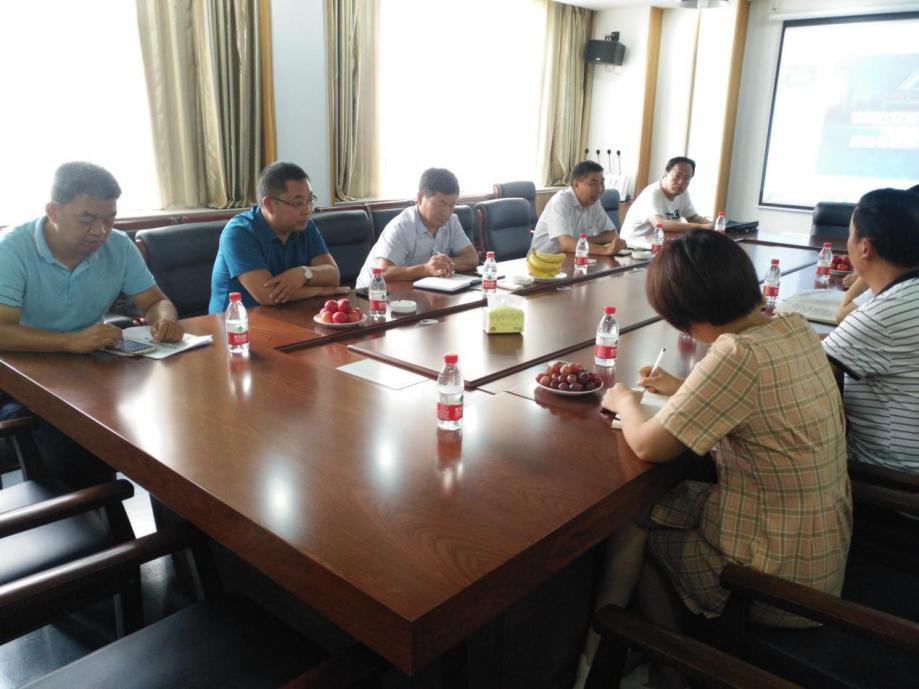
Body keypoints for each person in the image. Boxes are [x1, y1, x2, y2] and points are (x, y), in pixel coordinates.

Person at [574, 231, 850, 689]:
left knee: (635, 527)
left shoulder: (736, 353)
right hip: (817, 549)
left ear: (689, 316)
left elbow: (648, 445)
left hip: (774, 579)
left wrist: (624, 401)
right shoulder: (792, 327)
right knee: (652, 508)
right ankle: (618, 658)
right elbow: (756, 397)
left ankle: (663, 668)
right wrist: (685, 388)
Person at [0, 161, 184, 487]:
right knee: (72, 444)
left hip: (87, 368)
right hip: (19, 376)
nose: (100, 231)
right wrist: (69, 341)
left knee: (172, 418)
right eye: (87, 219)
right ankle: (90, 510)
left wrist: (165, 319)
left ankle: (159, 505)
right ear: (53, 211)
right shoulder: (12, 250)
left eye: (109, 218)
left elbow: (156, 301)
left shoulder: (118, 246)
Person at [822, 187, 919, 473]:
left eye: (850, 233)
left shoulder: (884, 314)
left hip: (890, 475)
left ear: (865, 248)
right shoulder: (907, 293)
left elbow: (808, 371)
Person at [209, 162, 348, 313]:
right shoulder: (239, 232)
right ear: (269, 204)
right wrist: (320, 290)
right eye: (298, 203)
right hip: (236, 322)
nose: (307, 210)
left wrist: (304, 273)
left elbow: (333, 275)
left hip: (286, 314)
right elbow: (268, 295)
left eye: (310, 200)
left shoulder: (305, 226)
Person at [355, 168, 478, 289]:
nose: (446, 212)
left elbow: (472, 257)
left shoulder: (452, 221)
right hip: (372, 293)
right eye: (440, 204)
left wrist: (446, 264)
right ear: (420, 198)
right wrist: (425, 269)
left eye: (452, 205)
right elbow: (383, 272)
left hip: (413, 288)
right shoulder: (402, 226)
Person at [529, 160, 627, 255]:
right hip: (542, 260)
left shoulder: (594, 203)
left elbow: (612, 234)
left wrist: (580, 242)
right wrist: (605, 250)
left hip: (572, 257)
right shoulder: (560, 202)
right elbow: (566, 244)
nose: (600, 189)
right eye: (593, 184)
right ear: (576, 184)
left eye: (601, 183)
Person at [620, 156, 713, 247]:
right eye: (677, 176)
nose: (681, 182)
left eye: (686, 178)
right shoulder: (653, 193)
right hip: (634, 247)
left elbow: (692, 217)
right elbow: (660, 224)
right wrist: (701, 227)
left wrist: (713, 226)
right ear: (665, 174)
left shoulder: (683, 193)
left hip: (659, 243)